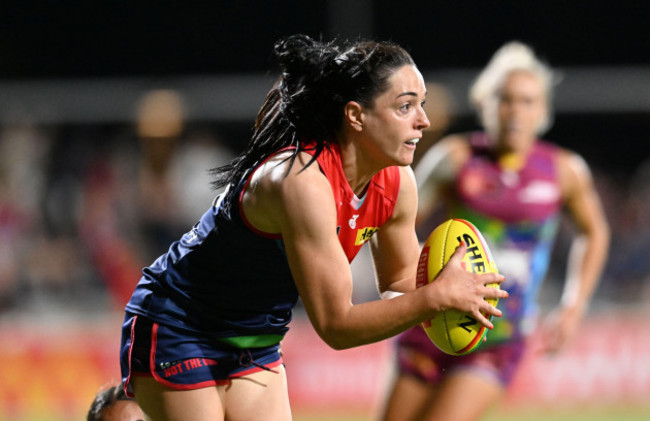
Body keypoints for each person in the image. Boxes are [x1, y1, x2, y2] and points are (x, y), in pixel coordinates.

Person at [119, 34, 507, 421]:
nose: (423, 120)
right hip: (180, 324)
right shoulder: (299, 181)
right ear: (356, 116)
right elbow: (336, 326)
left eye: (420, 105)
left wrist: (458, 292)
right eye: (405, 106)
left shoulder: (397, 182)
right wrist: (435, 298)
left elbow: (402, 281)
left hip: (256, 340)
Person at [380, 41, 610, 421]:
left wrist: (574, 305)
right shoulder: (455, 159)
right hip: (432, 324)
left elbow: (594, 233)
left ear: (543, 111)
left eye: (527, 101)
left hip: (498, 338)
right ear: (485, 103)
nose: (515, 112)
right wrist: (418, 272)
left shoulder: (564, 170)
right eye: (505, 99)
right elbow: (397, 224)